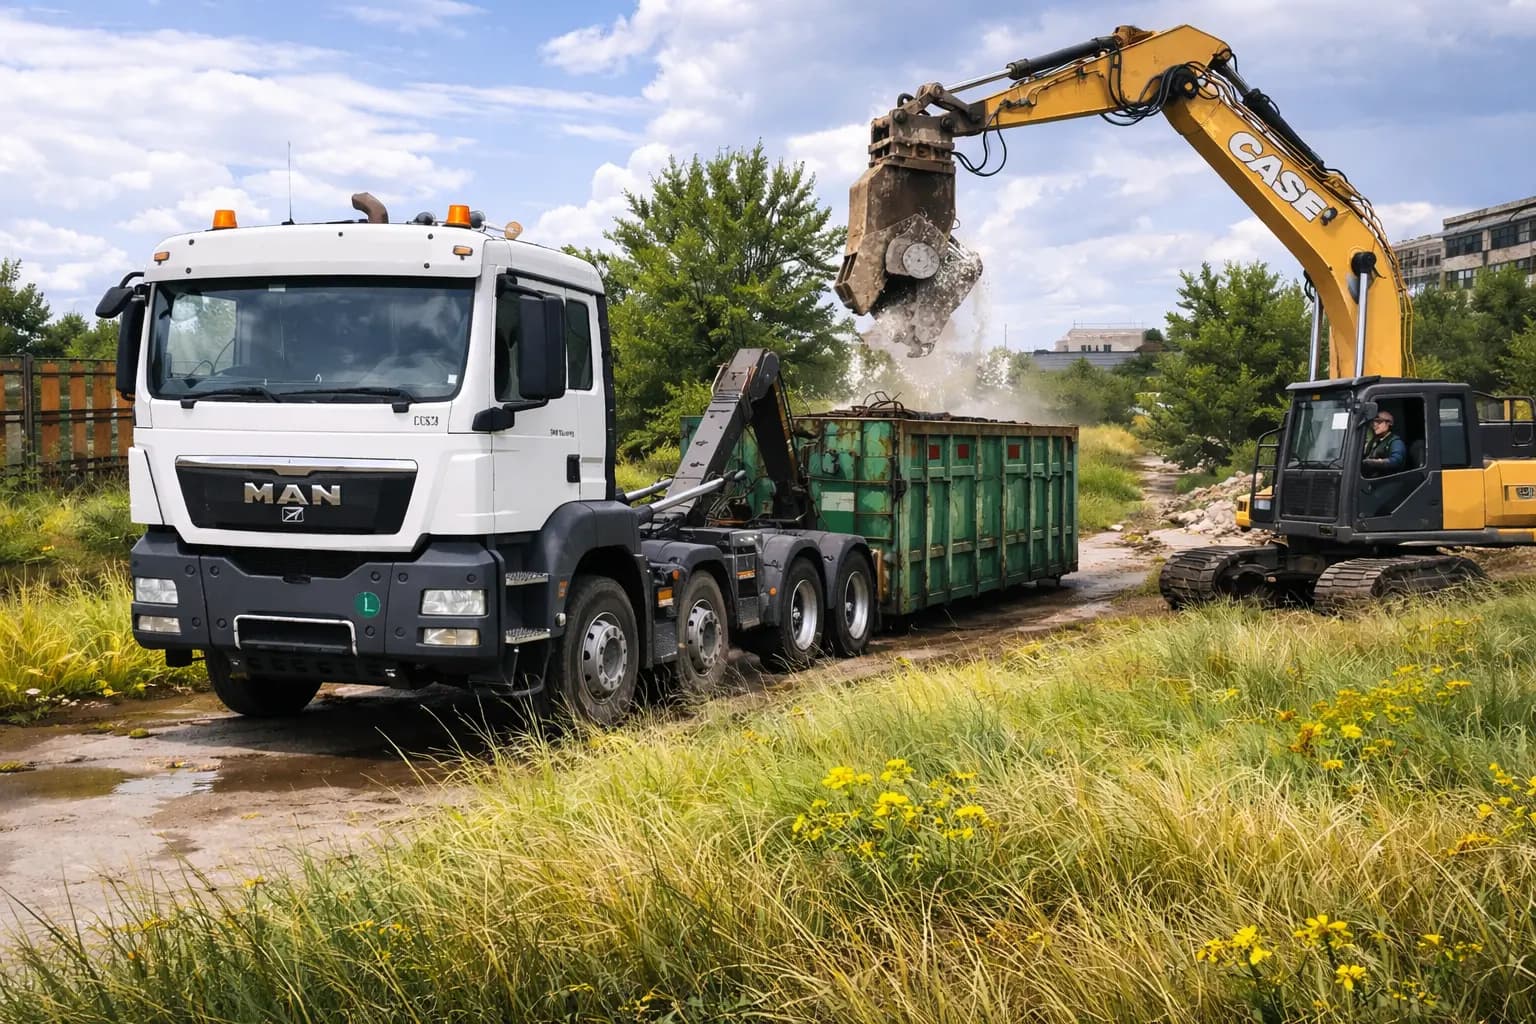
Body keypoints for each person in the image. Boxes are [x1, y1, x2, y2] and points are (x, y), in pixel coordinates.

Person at [1361, 409, 1406, 477]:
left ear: (1389, 423)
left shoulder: (1396, 442)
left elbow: (1396, 461)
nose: (1374, 425)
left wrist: (1373, 462)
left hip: (1387, 481)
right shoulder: (1374, 441)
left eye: (1379, 421)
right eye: (1373, 422)